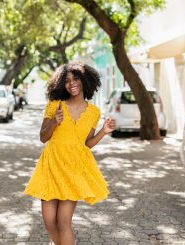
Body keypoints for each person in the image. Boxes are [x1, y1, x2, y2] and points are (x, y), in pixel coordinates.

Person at [23, 62, 116, 245]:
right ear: (61, 84)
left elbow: (87, 144)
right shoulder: (55, 106)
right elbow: (43, 137)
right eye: (66, 80)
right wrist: (54, 122)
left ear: (84, 81)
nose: (71, 83)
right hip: (51, 166)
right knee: (49, 222)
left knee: (63, 222)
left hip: (73, 168)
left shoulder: (93, 112)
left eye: (75, 79)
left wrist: (103, 132)